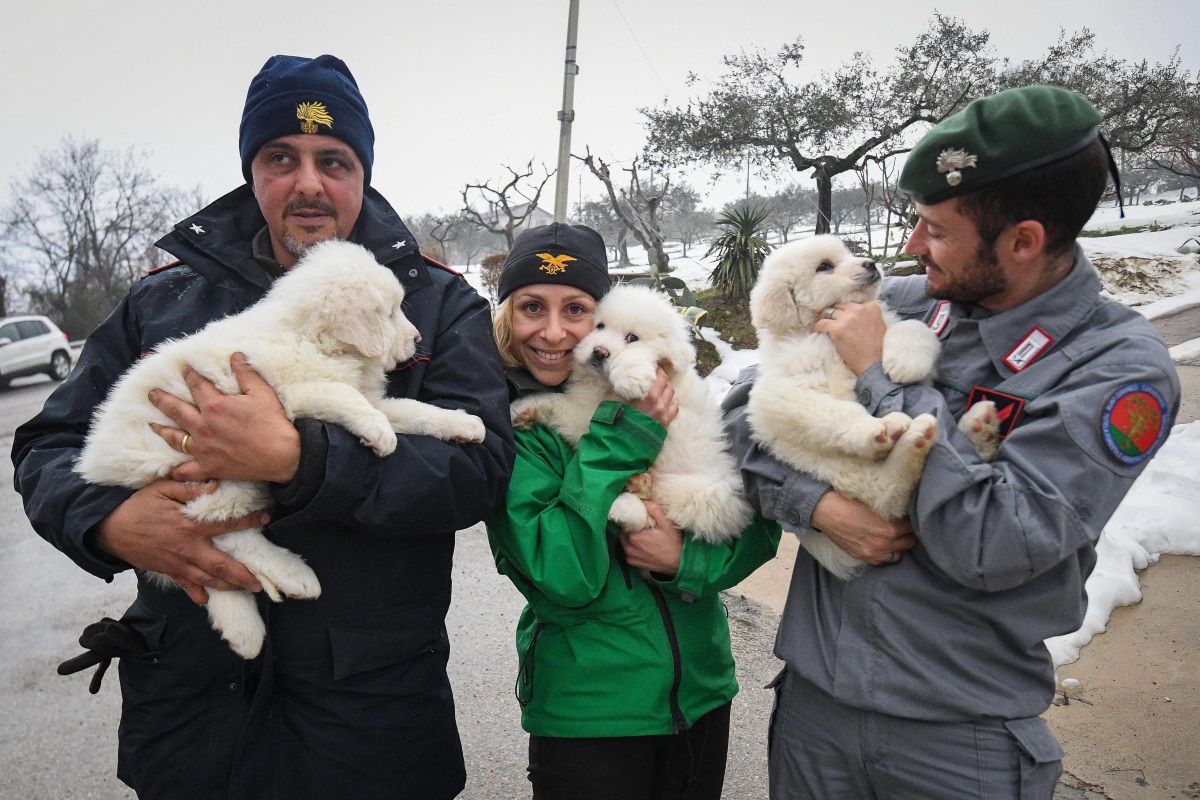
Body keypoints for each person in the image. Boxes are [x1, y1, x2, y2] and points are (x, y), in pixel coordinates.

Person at [11, 54, 513, 800]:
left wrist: (303, 459)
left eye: (333, 160)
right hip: (192, 720)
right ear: (253, 171)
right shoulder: (162, 303)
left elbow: (480, 471)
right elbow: (47, 444)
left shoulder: (438, 304)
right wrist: (110, 523)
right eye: (282, 157)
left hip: (370, 725)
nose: (308, 182)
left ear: (361, 174)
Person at [722, 85, 1181, 799]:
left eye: (935, 231)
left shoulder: (1117, 370)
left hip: (956, 740)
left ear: (1023, 240)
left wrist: (881, 378)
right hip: (815, 713)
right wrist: (816, 507)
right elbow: (741, 417)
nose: (911, 248)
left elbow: (996, 541)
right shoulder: (907, 304)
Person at [484, 222, 782, 800]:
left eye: (577, 310)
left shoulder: (674, 392)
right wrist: (626, 434)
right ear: (505, 318)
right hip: (590, 714)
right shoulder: (516, 431)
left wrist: (683, 561)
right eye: (530, 308)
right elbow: (566, 577)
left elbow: (757, 525)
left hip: (700, 694)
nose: (553, 332)